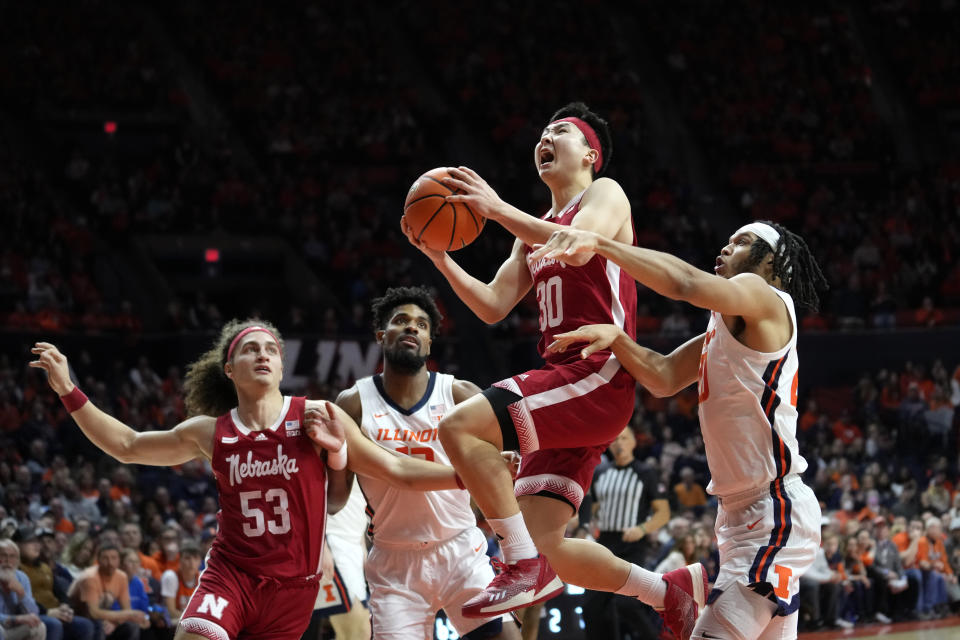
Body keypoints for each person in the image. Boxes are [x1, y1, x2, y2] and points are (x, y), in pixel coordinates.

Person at [29, 319, 460, 640]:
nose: (263, 355)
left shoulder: (318, 415)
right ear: (230, 369)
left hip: (294, 588)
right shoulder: (209, 431)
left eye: (271, 349)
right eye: (251, 349)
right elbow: (127, 444)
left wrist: (467, 477)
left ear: (280, 366)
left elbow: (397, 467)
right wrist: (69, 389)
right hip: (231, 573)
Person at [404, 103, 647, 621]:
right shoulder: (531, 231)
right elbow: (492, 305)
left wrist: (492, 207)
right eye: (542, 131)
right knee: (548, 543)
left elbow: (580, 246)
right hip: (568, 387)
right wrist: (439, 256)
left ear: (589, 153)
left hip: (598, 373)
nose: (546, 137)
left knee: (460, 428)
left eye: (560, 131)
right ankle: (668, 592)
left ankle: (517, 562)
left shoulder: (605, 193)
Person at [537, 219, 828, 639]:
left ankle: (674, 593)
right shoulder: (722, 330)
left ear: (770, 262)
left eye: (741, 241)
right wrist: (618, 338)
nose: (726, 248)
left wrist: (600, 243)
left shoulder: (765, 297)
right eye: (727, 240)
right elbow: (664, 376)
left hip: (773, 510)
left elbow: (686, 283)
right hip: (742, 515)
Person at [335, 286, 521, 639]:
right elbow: (337, 499)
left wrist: (504, 464)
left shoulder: (460, 394)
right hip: (394, 561)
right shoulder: (354, 403)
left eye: (422, 325)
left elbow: (501, 469)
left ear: (430, 343)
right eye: (401, 321)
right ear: (381, 335)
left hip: (460, 549)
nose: (412, 328)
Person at [577, 426, 670, 640]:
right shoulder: (600, 472)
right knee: (592, 606)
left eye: (624, 438)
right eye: (615, 439)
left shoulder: (646, 473)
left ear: (634, 443)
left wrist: (643, 529)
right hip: (604, 544)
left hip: (632, 545)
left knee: (625, 604)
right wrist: (583, 523)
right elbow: (592, 508)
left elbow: (663, 513)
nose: (619, 443)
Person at [15, 528, 95, 640]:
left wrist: (65, 606)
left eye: (37, 542)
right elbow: (22, 599)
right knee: (54, 624)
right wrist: (47, 612)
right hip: (36, 614)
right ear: (17, 545)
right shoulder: (17, 569)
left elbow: (61, 594)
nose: (37, 546)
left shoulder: (45, 567)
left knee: (85, 625)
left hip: (56, 612)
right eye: (30, 542)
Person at [66, 544, 147, 640]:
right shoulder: (90, 577)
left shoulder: (121, 577)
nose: (110, 563)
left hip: (102, 616)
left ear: (119, 561)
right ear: (98, 560)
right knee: (98, 624)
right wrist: (125, 615)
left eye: (114, 558)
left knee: (132, 626)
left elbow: (126, 610)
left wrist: (115, 623)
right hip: (76, 614)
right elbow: (93, 613)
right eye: (105, 558)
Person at [0, 538, 46, 640]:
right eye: (3, 556)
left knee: (39, 627)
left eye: (12, 556)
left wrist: (21, 593)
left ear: (17, 561)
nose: (8, 561)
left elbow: (33, 613)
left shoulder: (22, 577)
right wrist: (16, 619)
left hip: (11, 629)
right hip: (2, 627)